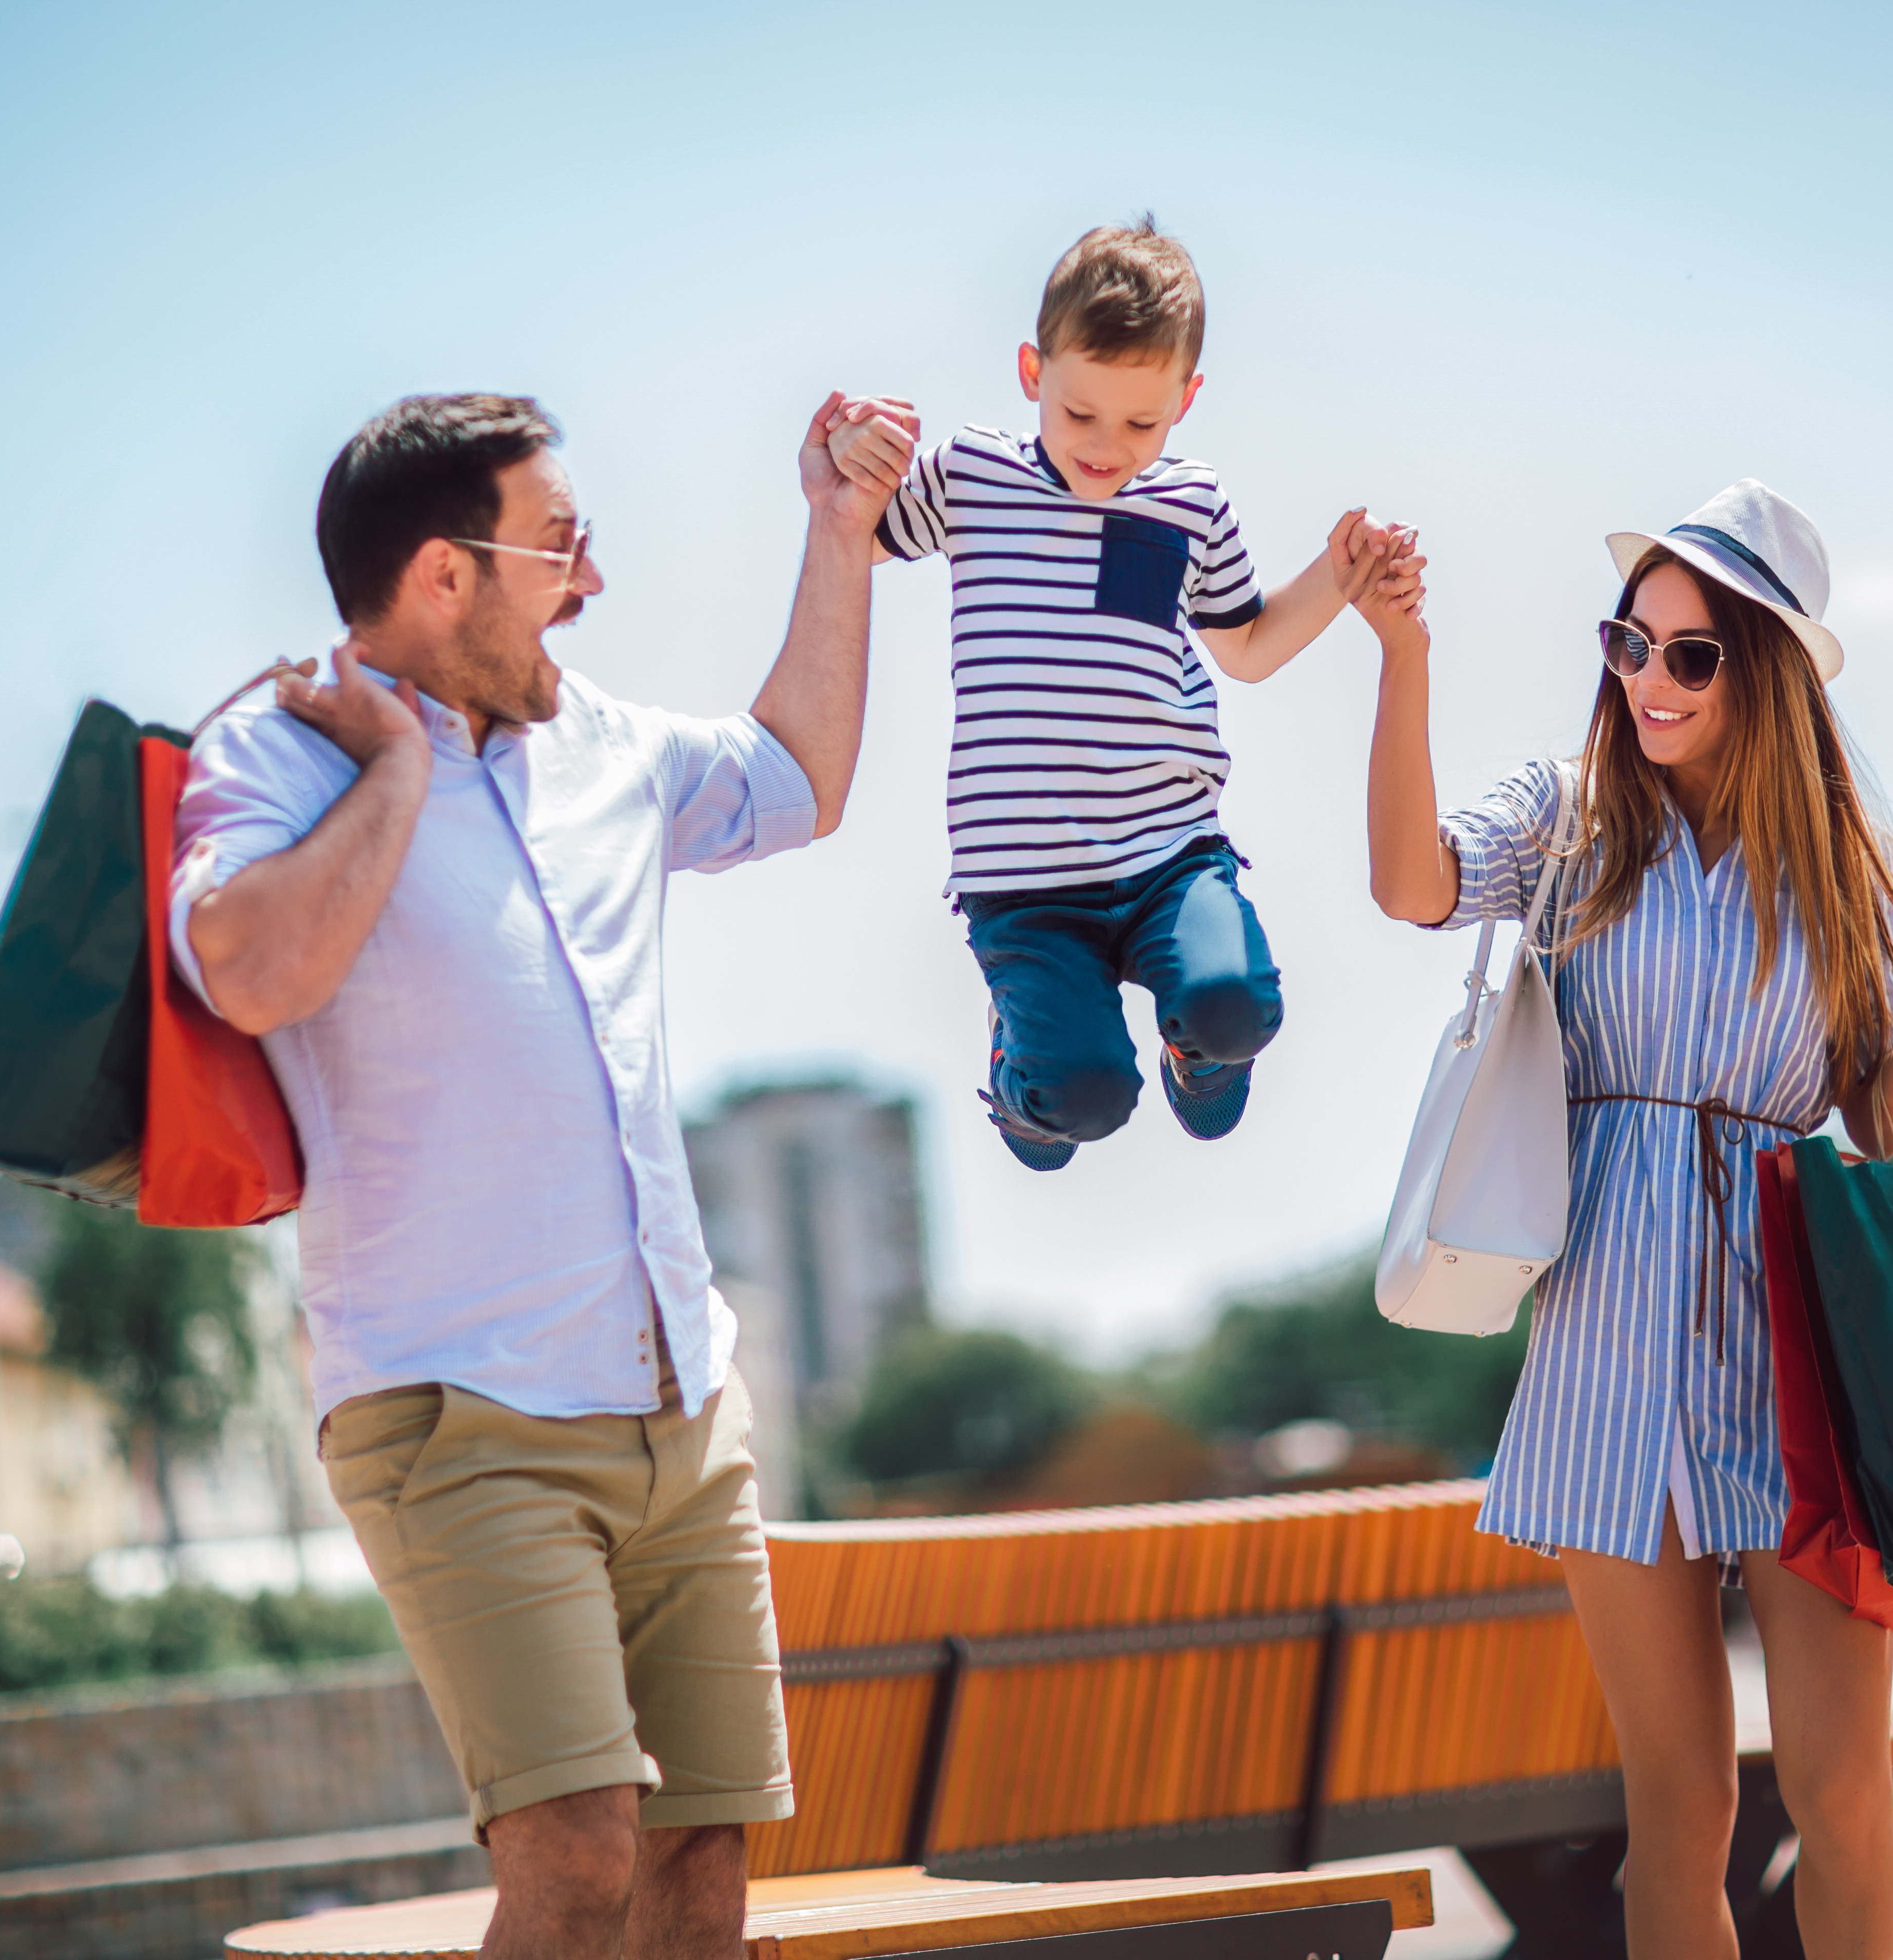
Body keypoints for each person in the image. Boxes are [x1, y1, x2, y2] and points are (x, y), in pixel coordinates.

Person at [168, 389, 913, 1960]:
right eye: (562, 546)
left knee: (701, 1868)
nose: (592, 583)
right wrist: (389, 776)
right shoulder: (283, 748)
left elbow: (799, 776)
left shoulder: (615, 751)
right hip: (460, 1417)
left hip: (681, 1409)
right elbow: (246, 971)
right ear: (446, 574)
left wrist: (837, 532)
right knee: (575, 1866)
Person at [1366, 479, 1893, 1956]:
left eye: (1691, 654)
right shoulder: (1567, 816)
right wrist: (1403, 655)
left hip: (1805, 1359)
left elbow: (1891, 1128)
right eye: (1631, 643)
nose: (1648, 682)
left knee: (1847, 1794)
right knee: (1681, 1811)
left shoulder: (1853, 889)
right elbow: (1411, 883)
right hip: (1609, 1338)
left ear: (1768, 671)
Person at [825, 219, 1424, 1169]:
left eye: (1141, 423)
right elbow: (854, 530)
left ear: (1187, 400)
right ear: (1034, 373)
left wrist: (1337, 576)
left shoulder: (1191, 507)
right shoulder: (974, 475)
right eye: (1081, 415)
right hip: (1024, 887)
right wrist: (850, 443)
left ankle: (1200, 1053)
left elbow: (1251, 648)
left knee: (1238, 1008)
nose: (1107, 448)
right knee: (1086, 1101)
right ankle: (1029, 1083)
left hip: (1168, 856)